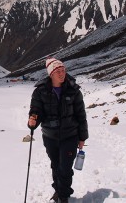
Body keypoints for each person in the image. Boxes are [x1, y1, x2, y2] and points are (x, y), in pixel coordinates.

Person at [27, 57, 89, 203]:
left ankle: (63, 196)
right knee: (55, 165)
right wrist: (33, 120)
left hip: (70, 136)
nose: (62, 74)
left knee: (65, 168)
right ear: (51, 74)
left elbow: (81, 115)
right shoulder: (40, 92)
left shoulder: (73, 90)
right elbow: (36, 110)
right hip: (50, 136)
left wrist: (82, 138)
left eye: (63, 70)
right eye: (58, 71)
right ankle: (58, 191)